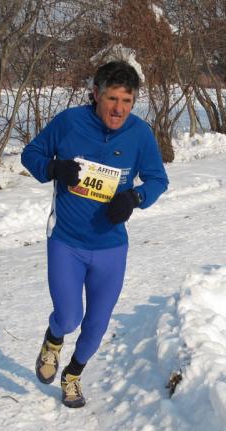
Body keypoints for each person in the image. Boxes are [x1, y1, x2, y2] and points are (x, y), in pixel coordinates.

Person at [21, 61, 169, 408]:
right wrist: (54, 167)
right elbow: (31, 155)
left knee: (96, 327)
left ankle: (72, 375)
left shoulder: (139, 134)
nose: (119, 109)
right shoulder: (69, 122)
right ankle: (53, 340)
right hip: (67, 242)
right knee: (69, 317)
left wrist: (134, 197)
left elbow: (158, 180)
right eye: (112, 98)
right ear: (96, 95)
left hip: (110, 248)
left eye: (127, 101)